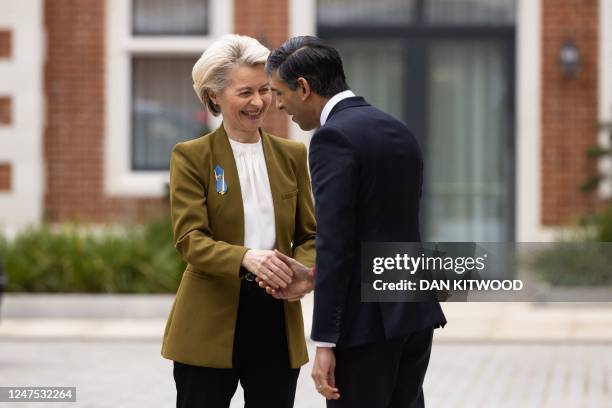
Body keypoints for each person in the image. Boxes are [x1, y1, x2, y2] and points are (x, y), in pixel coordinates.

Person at [264, 36, 447, 408]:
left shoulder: (332, 138)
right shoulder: (397, 129)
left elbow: (336, 241)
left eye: (279, 93)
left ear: (304, 87)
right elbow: (380, 226)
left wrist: (325, 342)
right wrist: (315, 276)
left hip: (366, 328)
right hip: (413, 314)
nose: (278, 105)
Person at [161, 34, 316, 408]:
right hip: (208, 321)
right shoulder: (191, 156)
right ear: (214, 96)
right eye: (245, 92)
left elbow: (309, 235)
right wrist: (247, 257)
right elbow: (189, 240)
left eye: (265, 90)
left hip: (277, 316)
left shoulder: (292, 155)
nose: (259, 102)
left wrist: (305, 273)